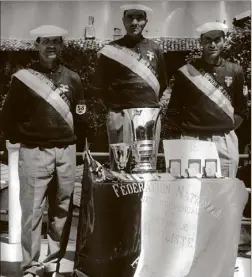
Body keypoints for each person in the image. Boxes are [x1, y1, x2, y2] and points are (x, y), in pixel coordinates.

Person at [1, 25, 87, 277]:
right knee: (32, 211)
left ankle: (53, 264)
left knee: (62, 210)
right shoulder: (23, 78)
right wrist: (26, 139)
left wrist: (75, 146)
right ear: (36, 44)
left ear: (62, 46)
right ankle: (31, 267)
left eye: (56, 41)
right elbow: (7, 118)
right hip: (34, 151)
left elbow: (81, 116)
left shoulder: (73, 78)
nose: (51, 46)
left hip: (66, 151)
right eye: (45, 41)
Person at [91, 4, 168, 169]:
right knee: (121, 168)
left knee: (146, 168)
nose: (134, 22)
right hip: (120, 114)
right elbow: (99, 86)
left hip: (149, 116)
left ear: (146, 21)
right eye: (130, 17)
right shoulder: (110, 50)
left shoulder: (155, 49)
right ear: (123, 21)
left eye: (139, 17)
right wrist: (115, 111)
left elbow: (162, 84)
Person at [167, 22, 248, 177]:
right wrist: (191, 129)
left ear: (224, 41)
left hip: (224, 141)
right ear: (201, 42)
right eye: (207, 40)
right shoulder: (185, 73)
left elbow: (241, 110)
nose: (212, 44)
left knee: (224, 191)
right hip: (193, 140)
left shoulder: (235, 71)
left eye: (217, 40)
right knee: (192, 192)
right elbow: (173, 111)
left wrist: (225, 128)